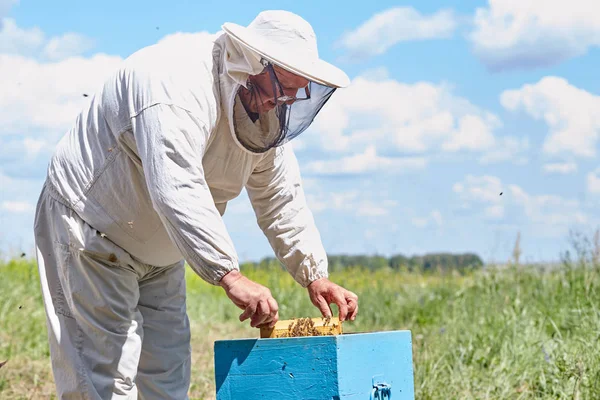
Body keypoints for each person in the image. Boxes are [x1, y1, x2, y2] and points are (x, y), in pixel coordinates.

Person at [33, 9, 359, 400]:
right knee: (105, 380)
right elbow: (177, 187)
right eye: (281, 88)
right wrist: (230, 275)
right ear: (252, 63)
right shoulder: (175, 84)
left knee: (166, 380)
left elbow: (280, 196)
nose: (283, 101)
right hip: (93, 233)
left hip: (163, 254)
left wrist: (314, 274)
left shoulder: (265, 113)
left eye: (294, 93)